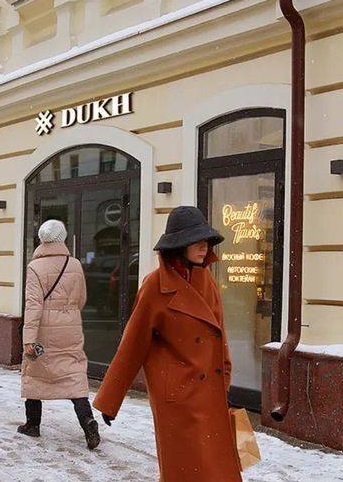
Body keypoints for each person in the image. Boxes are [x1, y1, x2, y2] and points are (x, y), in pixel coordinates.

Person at [93, 206, 241, 482]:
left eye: (205, 240)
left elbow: (221, 339)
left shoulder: (208, 282)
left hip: (210, 393)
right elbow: (133, 345)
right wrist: (109, 401)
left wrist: (225, 381)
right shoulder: (155, 286)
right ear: (178, 246)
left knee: (215, 471)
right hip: (177, 397)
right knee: (185, 471)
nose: (203, 246)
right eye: (196, 241)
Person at [18, 220, 100, 449]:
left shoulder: (35, 268)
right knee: (73, 373)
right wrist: (68, 312)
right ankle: (87, 421)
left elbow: (33, 305)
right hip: (71, 325)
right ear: (63, 238)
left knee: (34, 372)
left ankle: (32, 424)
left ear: (41, 239)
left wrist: (29, 339)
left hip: (44, 328)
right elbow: (82, 298)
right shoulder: (74, 264)